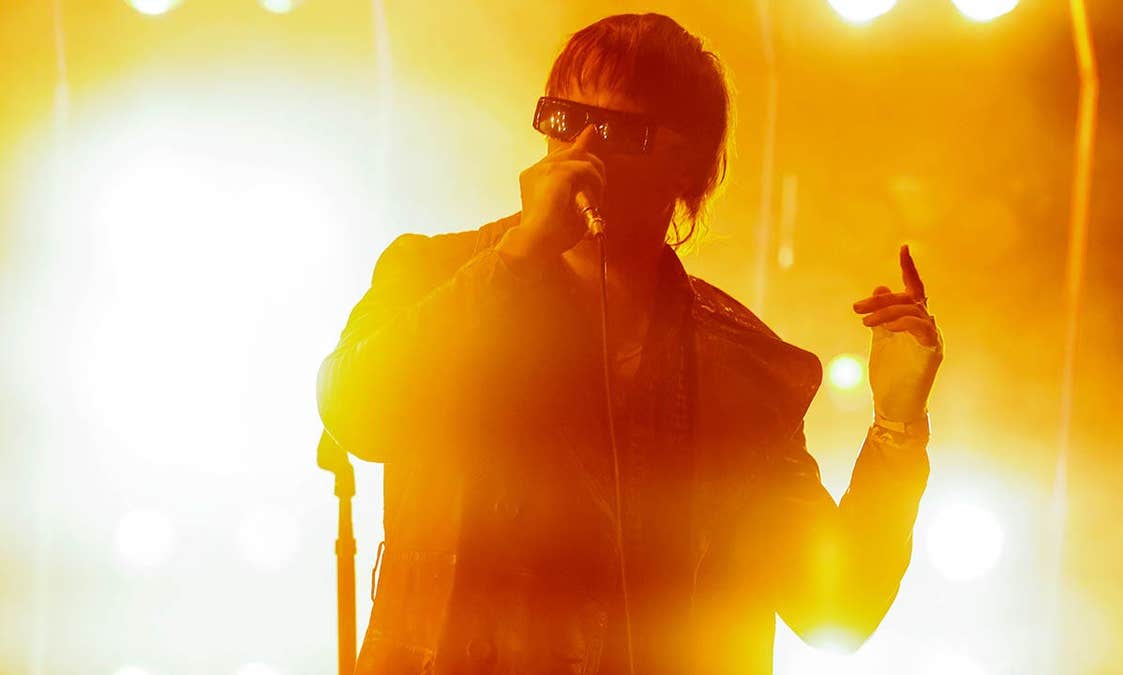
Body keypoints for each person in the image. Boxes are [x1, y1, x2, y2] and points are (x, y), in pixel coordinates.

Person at [316, 12, 944, 675]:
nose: (579, 149)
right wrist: (515, 261)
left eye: (617, 131)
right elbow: (357, 412)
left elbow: (835, 607)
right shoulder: (431, 276)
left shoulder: (743, 365)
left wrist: (897, 429)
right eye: (560, 118)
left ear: (687, 164)